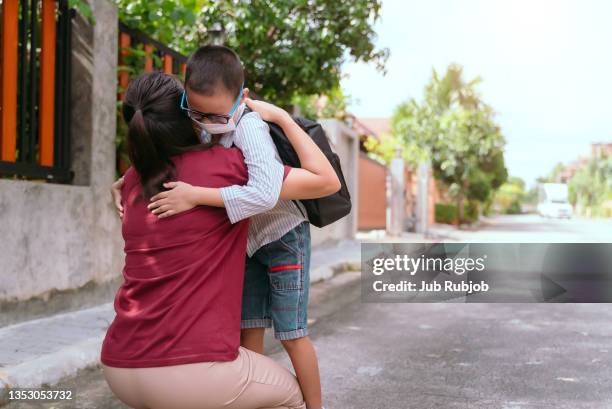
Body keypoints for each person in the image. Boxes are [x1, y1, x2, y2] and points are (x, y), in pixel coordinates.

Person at [112, 46, 337, 409]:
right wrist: (127, 176)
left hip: (282, 235)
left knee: (292, 333)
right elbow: (167, 148)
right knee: (247, 327)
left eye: (215, 115)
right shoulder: (204, 128)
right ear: (184, 101)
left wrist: (281, 117)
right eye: (195, 113)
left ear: (241, 99)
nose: (205, 122)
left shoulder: (247, 127)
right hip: (247, 240)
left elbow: (267, 192)